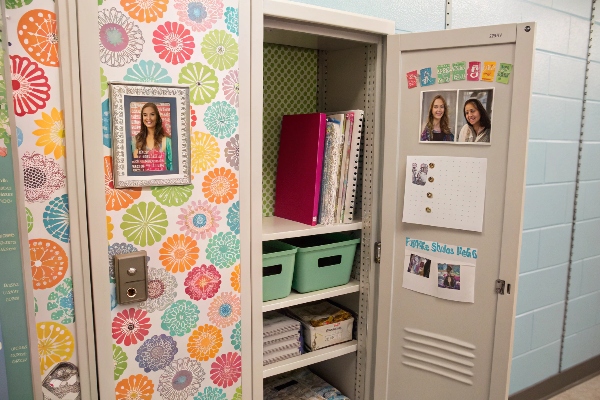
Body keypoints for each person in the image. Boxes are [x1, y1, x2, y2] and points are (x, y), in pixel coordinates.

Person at [132, 102, 172, 171]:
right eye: (145, 115)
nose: (148, 118)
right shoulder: (135, 141)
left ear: (157, 117)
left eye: (152, 114)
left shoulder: (167, 141)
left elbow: (172, 167)